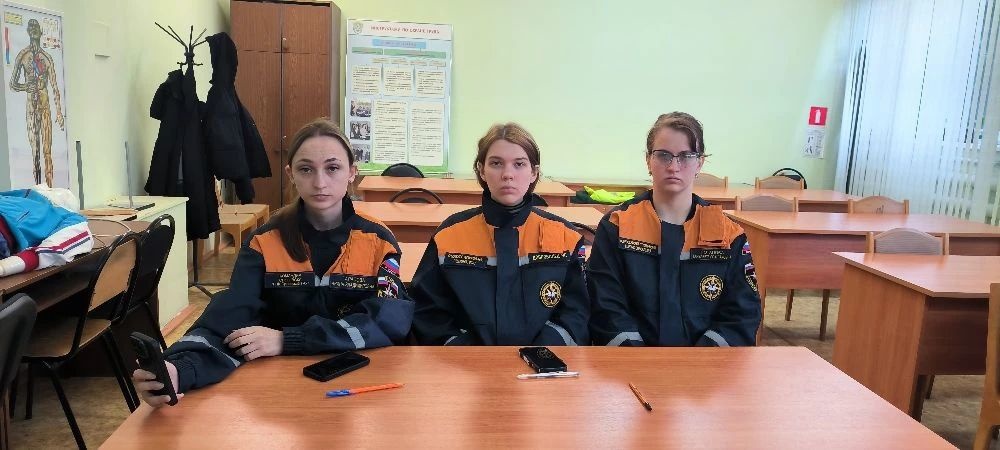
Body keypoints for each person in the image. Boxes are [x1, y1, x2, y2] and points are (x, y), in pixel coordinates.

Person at [133, 118, 414, 407]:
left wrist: (287, 339)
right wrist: (180, 369)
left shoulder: (379, 241)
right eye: (306, 169)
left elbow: (387, 321)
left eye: (332, 168)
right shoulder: (264, 241)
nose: (320, 182)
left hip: (364, 383)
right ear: (291, 174)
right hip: (280, 387)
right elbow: (232, 316)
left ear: (352, 172)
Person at [588, 112, 761, 347]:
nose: (673, 166)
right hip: (631, 361)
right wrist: (639, 359)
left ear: (699, 163)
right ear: (648, 160)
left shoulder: (728, 234)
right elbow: (606, 306)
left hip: (706, 364)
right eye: (663, 155)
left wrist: (697, 361)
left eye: (686, 156)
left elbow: (742, 314)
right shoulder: (617, 225)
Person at [411, 123, 589, 346]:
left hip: (542, 360)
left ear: (534, 172)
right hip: (465, 362)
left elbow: (576, 312)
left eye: (519, 164)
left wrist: (542, 351)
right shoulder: (449, 235)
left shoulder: (566, 237)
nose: (507, 175)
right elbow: (427, 310)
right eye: (496, 163)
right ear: (481, 171)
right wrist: (461, 349)